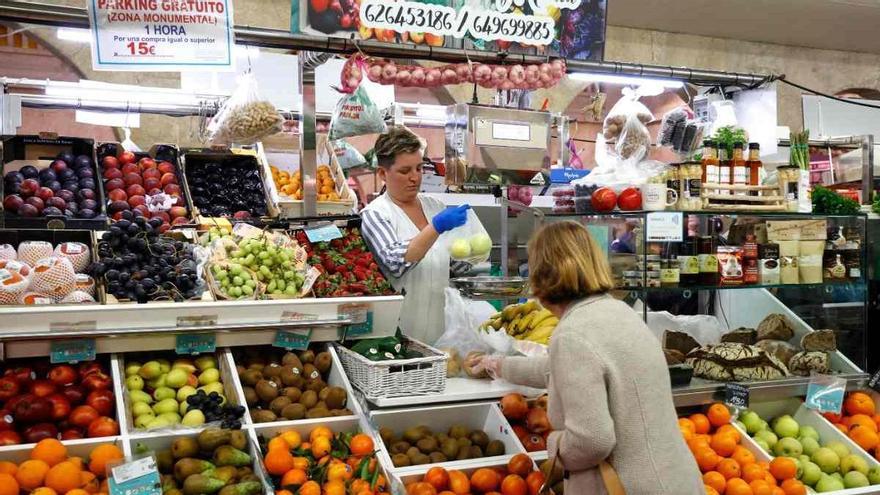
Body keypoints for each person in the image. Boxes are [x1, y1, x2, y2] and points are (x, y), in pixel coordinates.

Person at [480, 221, 703, 494]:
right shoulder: (618, 312)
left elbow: (592, 440)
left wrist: (554, 446)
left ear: (542, 275)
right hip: (675, 480)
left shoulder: (573, 334)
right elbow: (557, 368)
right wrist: (498, 365)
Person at [360, 126, 478, 344]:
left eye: (419, 168)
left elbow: (455, 267)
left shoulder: (435, 206)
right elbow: (395, 262)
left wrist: (472, 249)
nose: (415, 178)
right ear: (382, 174)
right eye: (405, 171)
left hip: (442, 330)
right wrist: (436, 227)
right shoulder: (376, 215)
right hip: (397, 333)